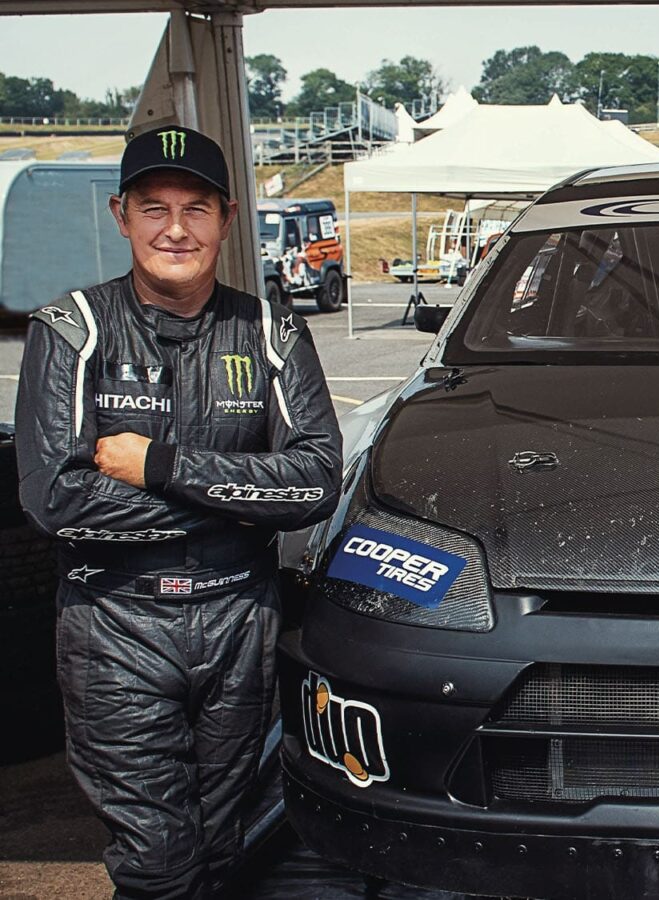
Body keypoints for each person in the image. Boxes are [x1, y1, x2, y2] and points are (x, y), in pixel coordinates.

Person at [14, 125, 341, 898]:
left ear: (227, 218)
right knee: (159, 859)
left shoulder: (271, 330)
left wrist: (160, 467)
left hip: (239, 624)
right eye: (153, 207)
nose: (175, 229)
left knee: (224, 848)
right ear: (119, 215)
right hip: (115, 626)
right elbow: (54, 499)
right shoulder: (70, 330)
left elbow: (316, 481)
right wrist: (240, 502)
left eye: (196, 208)